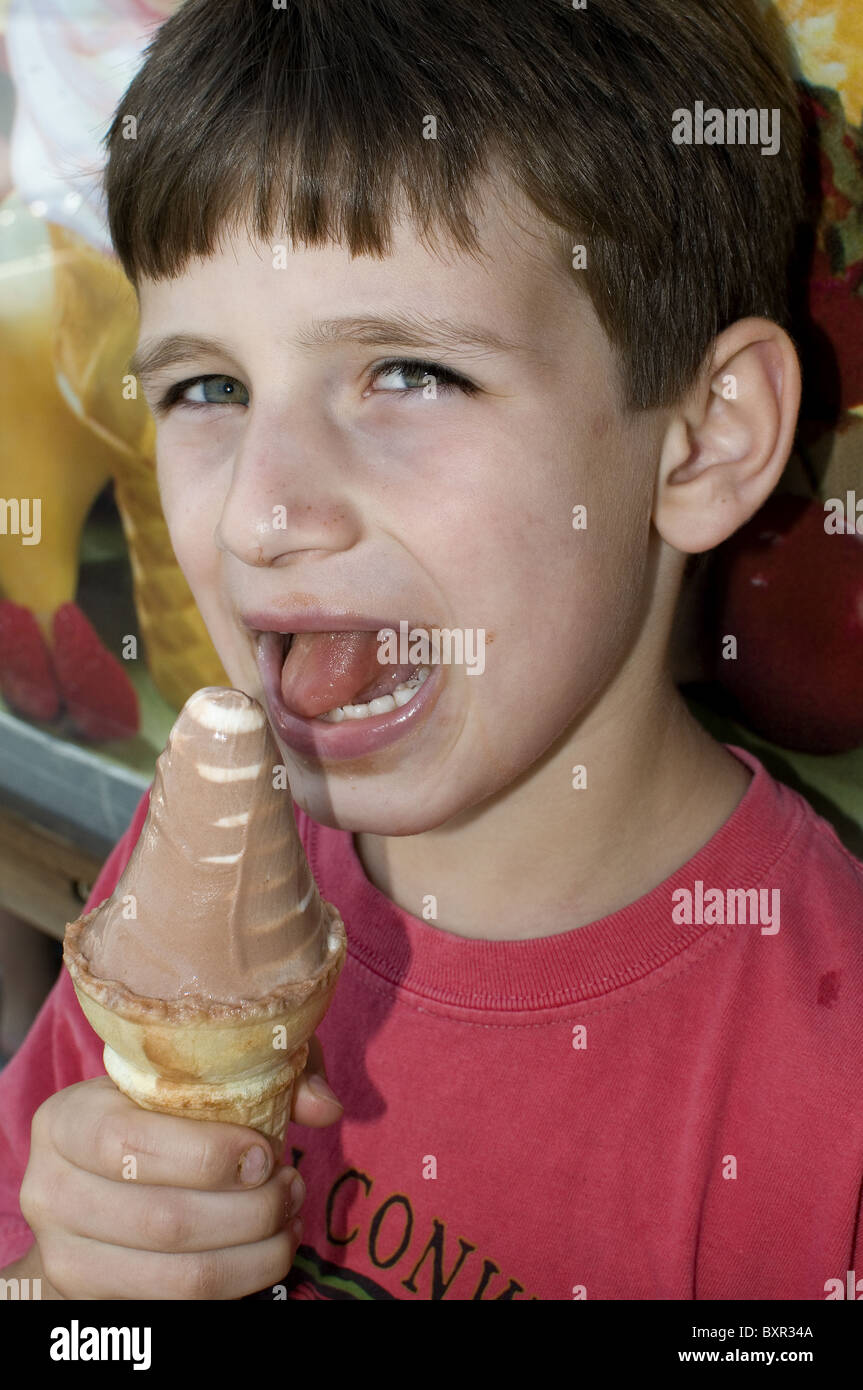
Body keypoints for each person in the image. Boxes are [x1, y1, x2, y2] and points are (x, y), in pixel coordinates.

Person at [2, 0, 862, 1301]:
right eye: (207, 389)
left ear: (701, 440)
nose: (259, 511)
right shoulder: (197, 884)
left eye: (408, 373)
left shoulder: (832, 1084)